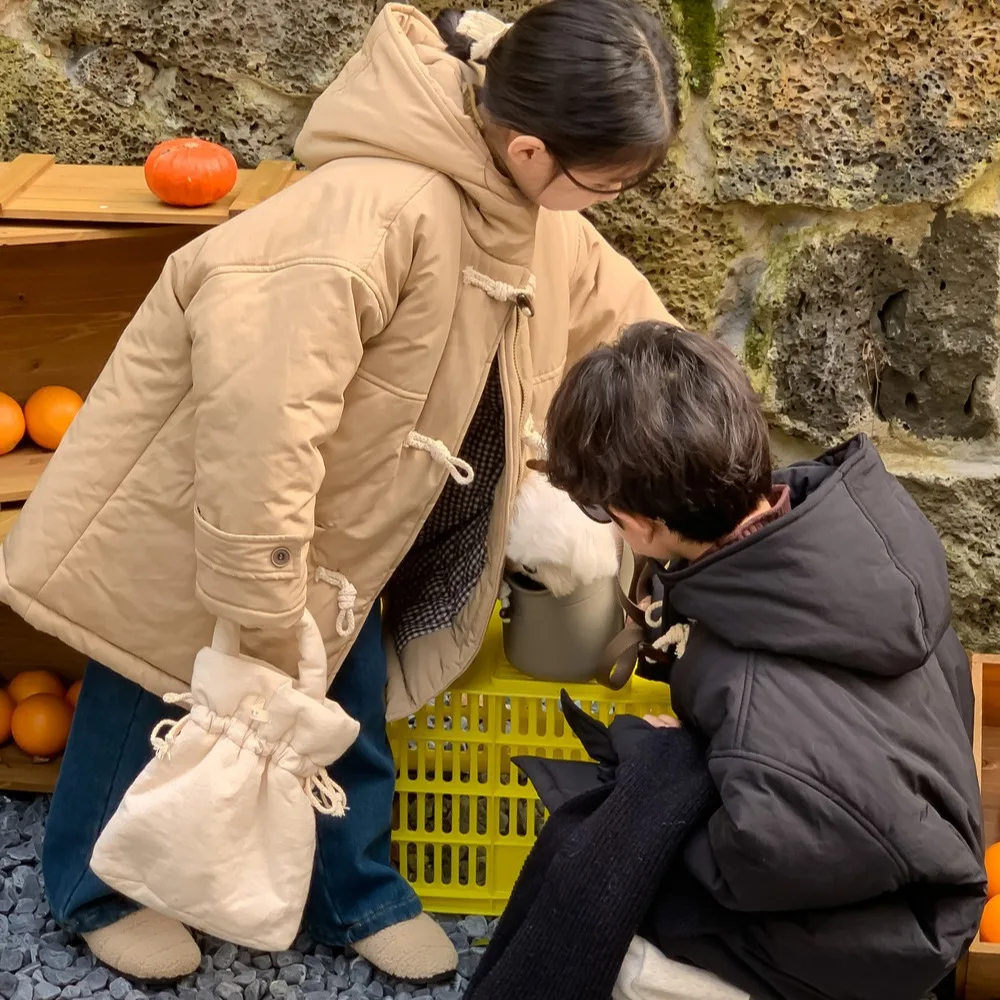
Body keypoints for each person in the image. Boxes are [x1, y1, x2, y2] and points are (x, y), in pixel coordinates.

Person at [0, 0, 682, 985]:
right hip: (222, 506)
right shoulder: (369, 210)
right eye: (606, 182)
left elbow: (614, 313)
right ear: (532, 149)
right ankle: (95, 883)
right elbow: (259, 414)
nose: (607, 201)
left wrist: (694, 411)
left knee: (341, 697)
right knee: (149, 681)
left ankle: (349, 888)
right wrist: (261, 582)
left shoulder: (527, 216)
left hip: (352, 520)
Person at [536, 321, 986, 1000]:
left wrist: (666, 783)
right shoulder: (854, 532)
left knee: (600, 910)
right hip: (924, 853)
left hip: (897, 933)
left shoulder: (753, 693)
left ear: (640, 523)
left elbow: (756, 863)